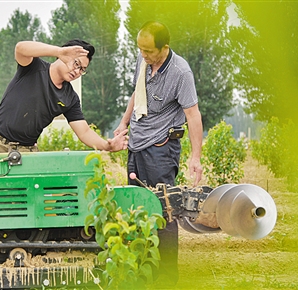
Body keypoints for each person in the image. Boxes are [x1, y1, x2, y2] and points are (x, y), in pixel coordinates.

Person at [114, 21, 203, 284]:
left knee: (164, 210)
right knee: (136, 208)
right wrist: (123, 123)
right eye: (140, 49)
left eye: (148, 50)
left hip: (161, 149)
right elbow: (136, 94)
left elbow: (193, 114)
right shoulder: (142, 61)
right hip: (137, 146)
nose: (143, 54)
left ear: (164, 47)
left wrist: (195, 157)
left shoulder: (180, 72)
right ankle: (142, 272)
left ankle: (166, 279)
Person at [0, 39, 128, 154]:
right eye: (76, 64)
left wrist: (107, 146)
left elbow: (84, 132)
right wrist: (58, 51)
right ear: (63, 55)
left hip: (26, 151)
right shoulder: (33, 67)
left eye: (82, 69)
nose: (77, 71)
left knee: (24, 195)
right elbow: (20, 48)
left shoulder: (70, 98)